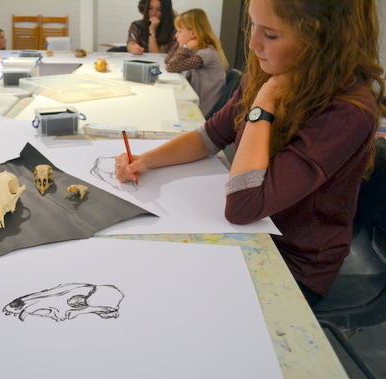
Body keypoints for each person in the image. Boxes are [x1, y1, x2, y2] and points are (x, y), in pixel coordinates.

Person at [115, 0, 385, 306]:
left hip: (292, 264)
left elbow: (243, 207)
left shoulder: (346, 111)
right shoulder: (271, 71)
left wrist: (263, 105)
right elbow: (209, 136)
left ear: (320, 40)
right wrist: (146, 159)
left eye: (270, 35)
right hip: (251, 237)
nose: (253, 44)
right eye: (253, 25)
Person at [164, 9, 228, 119]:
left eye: (179, 31)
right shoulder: (197, 50)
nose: (176, 36)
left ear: (193, 33)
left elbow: (171, 66)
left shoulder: (206, 54)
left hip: (201, 111)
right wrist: (181, 44)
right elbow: (168, 60)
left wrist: (184, 46)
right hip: (197, 103)